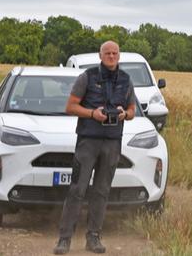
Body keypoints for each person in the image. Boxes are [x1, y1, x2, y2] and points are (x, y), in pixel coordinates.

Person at [53, 41, 136, 255]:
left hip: (112, 142)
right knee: (77, 189)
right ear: (101, 56)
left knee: (101, 191)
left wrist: (123, 114)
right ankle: (64, 239)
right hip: (88, 140)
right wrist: (92, 114)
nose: (111, 56)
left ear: (119, 55)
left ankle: (93, 237)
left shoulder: (126, 80)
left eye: (114, 53)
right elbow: (70, 106)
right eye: (107, 53)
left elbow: (132, 110)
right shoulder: (87, 77)